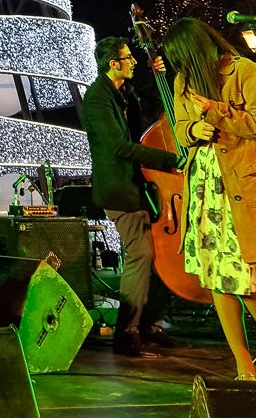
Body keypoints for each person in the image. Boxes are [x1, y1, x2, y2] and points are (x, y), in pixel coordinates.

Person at [164, 17, 256, 381]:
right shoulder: (183, 80)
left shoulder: (242, 70)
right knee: (217, 278)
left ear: (195, 50)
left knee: (250, 283)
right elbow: (181, 128)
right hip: (206, 185)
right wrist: (192, 130)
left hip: (242, 184)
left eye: (181, 58)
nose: (179, 69)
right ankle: (243, 366)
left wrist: (216, 113)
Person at [82, 37, 179, 357]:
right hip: (119, 190)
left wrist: (157, 75)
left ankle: (149, 324)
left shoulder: (124, 94)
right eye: (128, 58)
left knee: (162, 257)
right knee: (140, 256)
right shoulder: (97, 98)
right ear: (113, 64)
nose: (133, 62)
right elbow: (119, 148)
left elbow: (151, 117)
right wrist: (169, 160)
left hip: (140, 188)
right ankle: (126, 333)